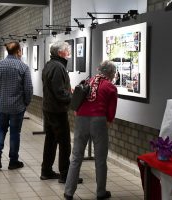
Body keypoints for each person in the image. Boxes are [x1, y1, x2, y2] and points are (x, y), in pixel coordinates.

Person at [64, 60, 118, 200]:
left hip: (81, 119)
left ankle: (68, 192)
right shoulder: (110, 87)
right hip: (99, 121)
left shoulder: (88, 81)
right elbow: (111, 112)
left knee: (76, 157)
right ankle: (101, 192)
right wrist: (108, 122)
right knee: (100, 159)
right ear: (111, 73)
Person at [0, 41, 33, 170]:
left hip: (1, 105)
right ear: (18, 51)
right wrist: (26, 102)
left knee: (1, 129)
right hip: (17, 106)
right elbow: (28, 88)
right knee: (15, 133)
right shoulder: (23, 67)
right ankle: (13, 161)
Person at [40, 41, 82, 184]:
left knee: (51, 141)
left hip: (49, 108)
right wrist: (74, 98)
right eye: (67, 50)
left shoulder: (50, 64)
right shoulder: (58, 67)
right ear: (60, 53)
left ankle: (46, 171)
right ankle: (65, 175)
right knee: (64, 143)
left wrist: (66, 90)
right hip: (57, 110)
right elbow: (59, 92)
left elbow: (54, 88)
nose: (69, 51)